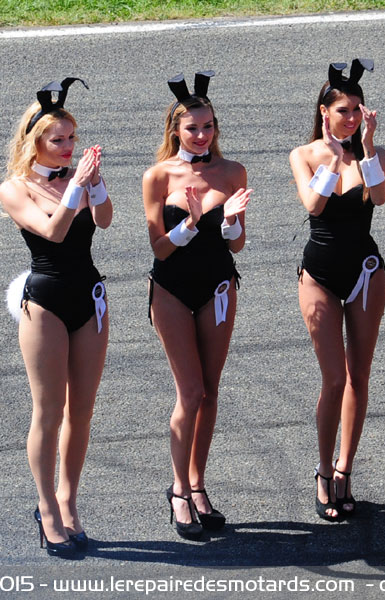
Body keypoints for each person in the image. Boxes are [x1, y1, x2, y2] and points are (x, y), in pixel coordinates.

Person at [0, 78, 111, 557]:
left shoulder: (75, 179)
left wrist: (94, 182)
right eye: (58, 139)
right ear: (35, 142)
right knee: (48, 412)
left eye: (72, 137)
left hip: (89, 296)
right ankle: (46, 507)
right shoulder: (15, 188)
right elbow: (53, 232)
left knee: (81, 412)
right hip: (44, 302)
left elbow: (104, 220)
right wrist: (76, 187)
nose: (68, 146)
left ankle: (68, 499)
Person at [143, 71, 251, 539]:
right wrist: (187, 224)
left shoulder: (232, 172)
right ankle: (178, 489)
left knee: (209, 392)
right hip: (171, 289)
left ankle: (198, 484)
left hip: (218, 288)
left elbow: (237, 244)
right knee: (188, 392)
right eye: (193, 128)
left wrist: (230, 224)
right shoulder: (158, 176)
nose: (202, 135)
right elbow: (159, 248)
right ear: (175, 130)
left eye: (208, 126)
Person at [289, 59, 385, 521]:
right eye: (343, 111)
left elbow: (381, 198)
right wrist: (332, 158)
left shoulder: (375, 154)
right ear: (324, 113)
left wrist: (365, 149)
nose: (351, 118)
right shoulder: (305, 154)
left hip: (365, 273)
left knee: (358, 377)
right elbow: (314, 204)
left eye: (357, 110)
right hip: (320, 275)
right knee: (333, 379)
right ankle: (324, 469)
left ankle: (346, 467)